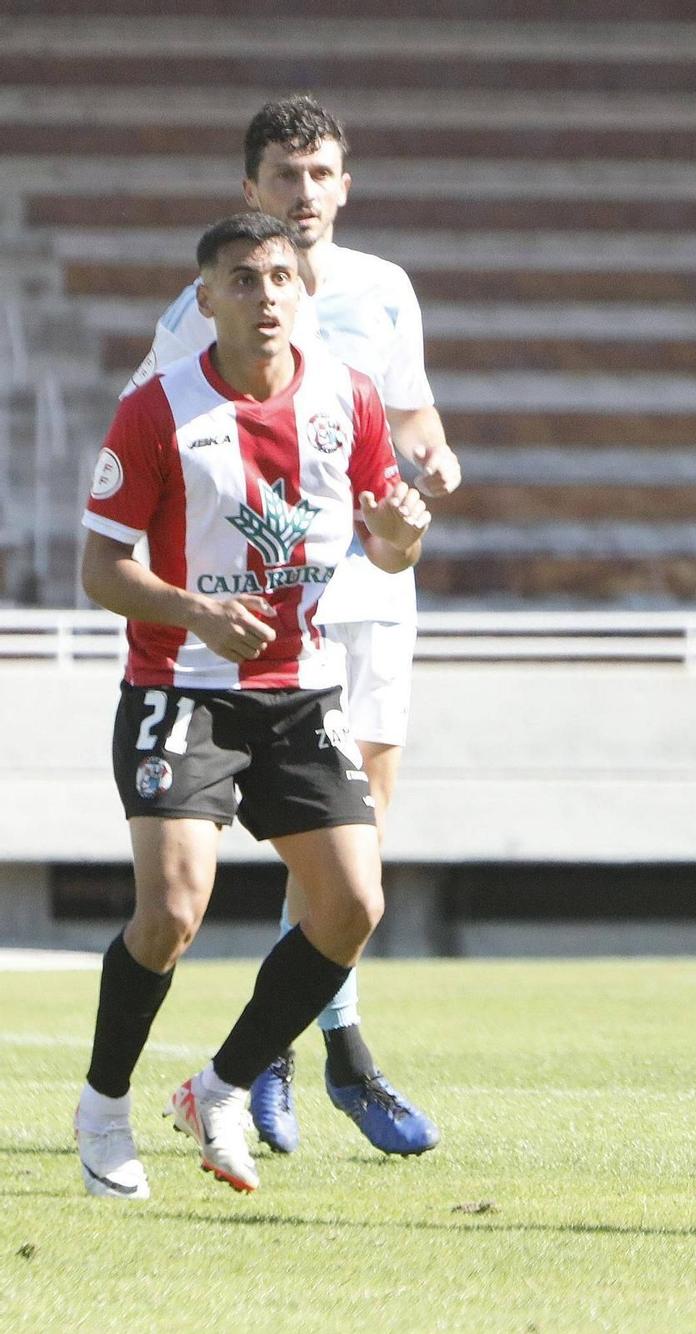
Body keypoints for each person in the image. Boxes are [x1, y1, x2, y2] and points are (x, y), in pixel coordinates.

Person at [126, 94, 458, 1156]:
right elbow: (153, 426)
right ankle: (311, 1055)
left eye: (319, 175)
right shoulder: (209, 305)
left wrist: (433, 458)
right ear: (250, 190)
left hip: (376, 590)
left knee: (361, 836)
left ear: (345, 183)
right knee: (322, 849)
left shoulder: (385, 289)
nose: (303, 194)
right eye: (283, 176)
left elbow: (408, 414)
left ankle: (298, 1050)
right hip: (270, 616)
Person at [74, 212, 431, 1197]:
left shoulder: (346, 399)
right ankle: (105, 1107)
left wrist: (401, 535)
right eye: (242, 279)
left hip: (300, 686)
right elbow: (100, 567)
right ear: (206, 299)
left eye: (279, 277)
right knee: (172, 910)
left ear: (300, 294)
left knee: (354, 904)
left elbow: (386, 542)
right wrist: (194, 609)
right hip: (180, 683)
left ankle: (220, 1084)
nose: (266, 295)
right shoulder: (156, 410)